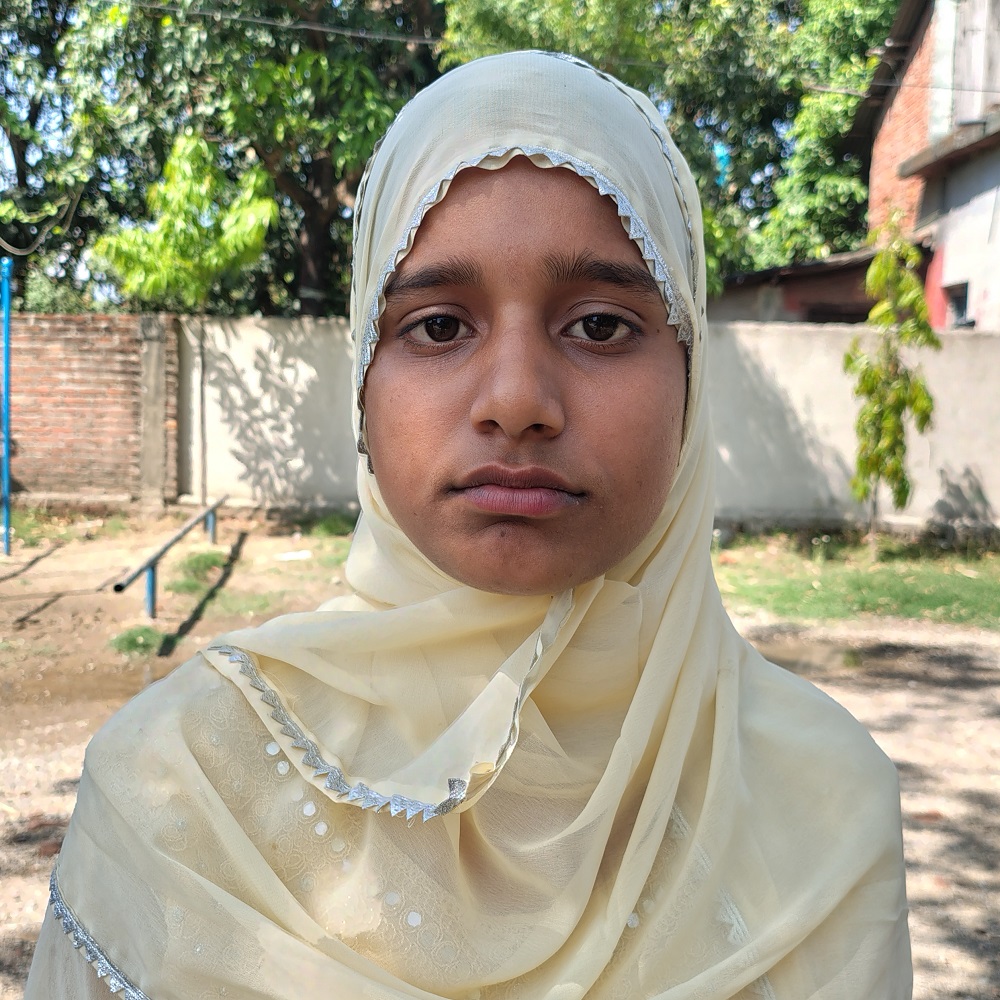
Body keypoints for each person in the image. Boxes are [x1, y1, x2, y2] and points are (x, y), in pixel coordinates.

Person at [24, 50, 911, 1000]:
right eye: (439, 326)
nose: (517, 401)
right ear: (364, 382)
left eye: (600, 325)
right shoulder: (182, 785)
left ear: (690, 379)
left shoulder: (823, 809)